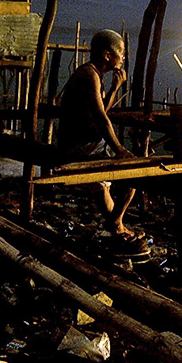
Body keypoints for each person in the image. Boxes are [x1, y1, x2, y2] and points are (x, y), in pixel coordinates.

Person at [58, 29, 141, 242]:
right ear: (106, 55)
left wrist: (114, 89)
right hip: (79, 147)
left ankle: (117, 226)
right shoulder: (88, 74)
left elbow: (102, 110)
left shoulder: (96, 75)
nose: (123, 57)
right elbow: (101, 119)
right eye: (120, 53)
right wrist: (120, 150)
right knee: (134, 174)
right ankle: (116, 223)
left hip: (89, 144)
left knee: (104, 187)